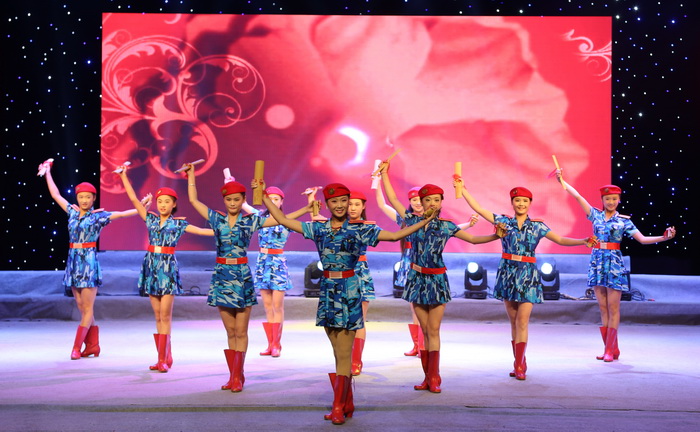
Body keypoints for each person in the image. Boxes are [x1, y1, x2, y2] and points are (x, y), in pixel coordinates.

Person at [258, 180, 436, 425]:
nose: (340, 205)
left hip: (350, 290)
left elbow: (395, 235)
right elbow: (283, 219)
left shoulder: (360, 229)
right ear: (327, 204)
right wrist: (263, 196)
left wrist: (425, 220)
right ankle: (346, 401)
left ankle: (338, 406)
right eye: (335, 201)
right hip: (328, 291)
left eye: (344, 200)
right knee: (336, 351)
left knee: (343, 353)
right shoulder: (319, 228)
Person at [184, 163, 310, 392]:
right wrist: (191, 175)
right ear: (224, 200)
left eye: (237, 199)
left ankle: (239, 376)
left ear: (243, 200)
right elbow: (193, 201)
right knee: (230, 331)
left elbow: (281, 219)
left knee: (241, 331)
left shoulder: (249, 221)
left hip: (241, 277)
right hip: (222, 277)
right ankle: (233, 376)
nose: (233, 203)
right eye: (228, 199)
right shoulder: (217, 219)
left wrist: (265, 195)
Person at [380, 162, 498, 393]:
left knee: (433, 331)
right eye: (428, 200)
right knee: (425, 331)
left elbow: (473, 240)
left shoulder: (446, 226)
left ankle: (434, 377)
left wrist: (496, 236)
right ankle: (427, 377)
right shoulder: (412, 221)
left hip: (437, 280)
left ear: (442, 202)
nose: (432, 203)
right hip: (416, 279)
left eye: (436, 199)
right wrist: (385, 174)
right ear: (421, 203)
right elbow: (393, 199)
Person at [458, 181, 596, 380]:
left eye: (524, 201)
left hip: (528, 275)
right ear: (512, 203)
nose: (521, 204)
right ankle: (519, 361)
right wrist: (463, 189)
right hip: (508, 274)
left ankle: (519, 365)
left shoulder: (538, 226)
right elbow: (479, 208)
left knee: (522, 321)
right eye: (517, 200)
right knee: (514, 322)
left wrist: (583, 241)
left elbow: (560, 240)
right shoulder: (504, 222)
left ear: (530, 203)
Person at [555, 172, 676, 362]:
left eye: (614, 199)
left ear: (619, 200)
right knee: (602, 308)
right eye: (607, 199)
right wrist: (562, 181)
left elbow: (642, 239)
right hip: (597, 262)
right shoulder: (595, 215)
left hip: (614, 264)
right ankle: (610, 348)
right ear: (602, 200)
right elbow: (578, 196)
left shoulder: (624, 221)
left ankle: (610, 350)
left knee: (613, 307)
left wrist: (664, 237)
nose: (611, 202)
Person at [40, 158, 149, 360]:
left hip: (88, 262)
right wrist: (47, 172)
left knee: (88, 307)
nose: (84, 200)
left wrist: (141, 207)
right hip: (73, 261)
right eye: (81, 197)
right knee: (82, 307)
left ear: (93, 199)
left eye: (88, 197)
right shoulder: (72, 212)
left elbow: (121, 214)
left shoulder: (98, 216)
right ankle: (93, 346)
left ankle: (77, 347)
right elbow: (55, 194)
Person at [117, 165, 213, 372]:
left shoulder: (178, 224)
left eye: (167, 201)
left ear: (174, 204)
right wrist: (123, 175)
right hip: (151, 267)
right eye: (160, 201)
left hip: (167, 269)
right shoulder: (150, 218)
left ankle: (163, 358)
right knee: (157, 316)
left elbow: (201, 231)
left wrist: (226, 229)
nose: (162, 205)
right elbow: (133, 199)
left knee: (165, 315)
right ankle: (163, 357)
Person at [375, 179, 479, 358]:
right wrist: (379, 179)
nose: (420, 203)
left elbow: (454, 232)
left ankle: (426, 351)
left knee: (431, 321)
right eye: (416, 200)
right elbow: (388, 202)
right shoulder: (409, 220)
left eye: (435, 200)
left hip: (433, 270)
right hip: (412, 265)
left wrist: (472, 226)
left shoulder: (441, 224)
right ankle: (418, 346)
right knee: (416, 310)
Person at [242, 186, 314, 358]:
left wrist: (311, 198)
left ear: (282, 202)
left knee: (277, 306)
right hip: (262, 263)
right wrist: (230, 180)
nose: (273, 202)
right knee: (267, 306)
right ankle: (270, 344)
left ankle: (277, 344)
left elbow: (312, 217)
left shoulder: (286, 220)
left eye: (276, 199)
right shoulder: (260, 217)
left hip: (277, 264)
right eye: (270, 199)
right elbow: (244, 204)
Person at [347, 190, 373, 376]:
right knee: (343, 320)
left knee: (359, 320)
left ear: (363, 206)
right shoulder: (337, 225)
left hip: (360, 273)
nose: (352, 208)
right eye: (350, 204)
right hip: (342, 274)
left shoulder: (367, 227)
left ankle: (356, 361)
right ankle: (345, 358)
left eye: (357, 204)